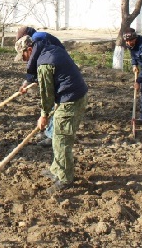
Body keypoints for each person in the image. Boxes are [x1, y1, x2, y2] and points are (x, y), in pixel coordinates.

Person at [14, 35, 88, 194]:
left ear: (29, 50)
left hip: (71, 100)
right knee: (57, 136)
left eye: (23, 56)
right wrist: (28, 84)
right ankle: (56, 169)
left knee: (61, 140)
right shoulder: (48, 49)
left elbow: (47, 94)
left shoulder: (44, 63)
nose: (22, 60)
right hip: (73, 94)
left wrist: (44, 115)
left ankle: (65, 178)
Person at [16, 26, 66, 146]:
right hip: (55, 68)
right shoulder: (36, 40)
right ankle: (49, 131)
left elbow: (38, 62)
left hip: (59, 71)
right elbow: (34, 63)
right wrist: (27, 82)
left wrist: (29, 81)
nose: (23, 59)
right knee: (52, 102)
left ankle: (52, 135)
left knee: (55, 102)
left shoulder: (38, 39)